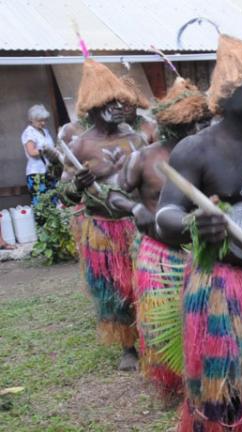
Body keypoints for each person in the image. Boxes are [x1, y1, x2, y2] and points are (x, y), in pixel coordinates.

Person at [154, 35, 242, 431]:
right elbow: (166, 215)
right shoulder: (195, 151)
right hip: (221, 288)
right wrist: (195, 224)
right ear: (227, 95)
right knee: (226, 394)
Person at [106, 77, 211, 397]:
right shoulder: (145, 157)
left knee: (204, 319)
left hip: (203, 250)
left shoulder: (212, 155)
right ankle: (171, 382)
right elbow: (113, 195)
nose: (192, 132)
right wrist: (135, 208)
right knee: (159, 321)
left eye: (198, 124)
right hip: (159, 250)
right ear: (169, 126)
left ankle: (204, 377)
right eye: (185, 126)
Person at [57, 59, 147, 371]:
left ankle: (151, 337)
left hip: (137, 224)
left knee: (143, 284)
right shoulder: (80, 145)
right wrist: (78, 185)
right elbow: (65, 192)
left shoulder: (137, 139)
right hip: (103, 229)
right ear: (94, 107)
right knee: (114, 289)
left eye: (121, 101)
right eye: (111, 102)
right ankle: (128, 347)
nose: (120, 107)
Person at [21, 104, 59, 206]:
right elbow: (32, 152)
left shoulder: (45, 131)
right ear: (31, 119)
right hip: (36, 173)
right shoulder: (29, 132)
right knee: (41, 205)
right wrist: (47, 151)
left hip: (50, 172)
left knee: (54, 203)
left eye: (44, 120)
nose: (43, 123)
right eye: (40, 120)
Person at [121, 76, 159, 144]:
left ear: (136, 103)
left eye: (130, 104)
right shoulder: (114, 129)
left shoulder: (150, 125)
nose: (126, 108)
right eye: (122, 104)